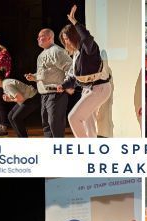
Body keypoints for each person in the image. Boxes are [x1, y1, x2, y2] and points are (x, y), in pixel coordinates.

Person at [59, 5, 114, 138]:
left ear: (74, 36)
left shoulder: (89, 49)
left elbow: (87, 38)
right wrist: (64, 85)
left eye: (67, 38)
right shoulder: (77, 54)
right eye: (64, 39)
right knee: (88, 123)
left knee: (73, 118)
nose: (66, 42)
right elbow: (75, 77)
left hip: (99, 88)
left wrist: (75, 22)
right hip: (90, 89)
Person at [25, 28, 72, 138]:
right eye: (38, 36)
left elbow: (71, 68)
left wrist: (66, 84)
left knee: (54, 125)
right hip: (44, 94)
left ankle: (59, 152)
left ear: (50, 37)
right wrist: (34, 77)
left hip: (56, 94)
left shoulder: (57, 51)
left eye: (41, 36)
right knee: (46, 125)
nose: (38, 38)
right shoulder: (41, 55)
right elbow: (45, 73)